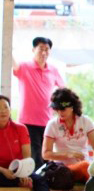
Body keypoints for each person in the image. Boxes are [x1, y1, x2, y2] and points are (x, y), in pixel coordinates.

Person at [12, 36, 65, 167]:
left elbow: (64, 91)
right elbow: (13, 63)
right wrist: (8, 48)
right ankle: (37, 185)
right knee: (35, 156)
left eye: (47, 49)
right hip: (28, 121)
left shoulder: (53, 69)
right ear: (33, 50)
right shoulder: (24, 67)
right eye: (41, 49)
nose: (44, 52)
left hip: (47, 121)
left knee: (47, 156)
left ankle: (46, 184)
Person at [43, 88, 94, 183]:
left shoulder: (85, 121)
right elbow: (46, 154)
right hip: (61, 169)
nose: (59, 112)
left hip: (84, 167)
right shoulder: (52, 124)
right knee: (85, 167)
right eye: (57, 109)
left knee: (90, 168)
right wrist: (68, 155)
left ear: (72, 107)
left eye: (62, 109)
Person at [0, 95, 50, 191]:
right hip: (1, 171)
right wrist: (4, 171)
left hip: (18, 170)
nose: (3, 111)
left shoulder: (20, 128)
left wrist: (24, 174)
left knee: (39, 179)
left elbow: (27, 158)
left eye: (6, 107)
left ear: (10, 109)